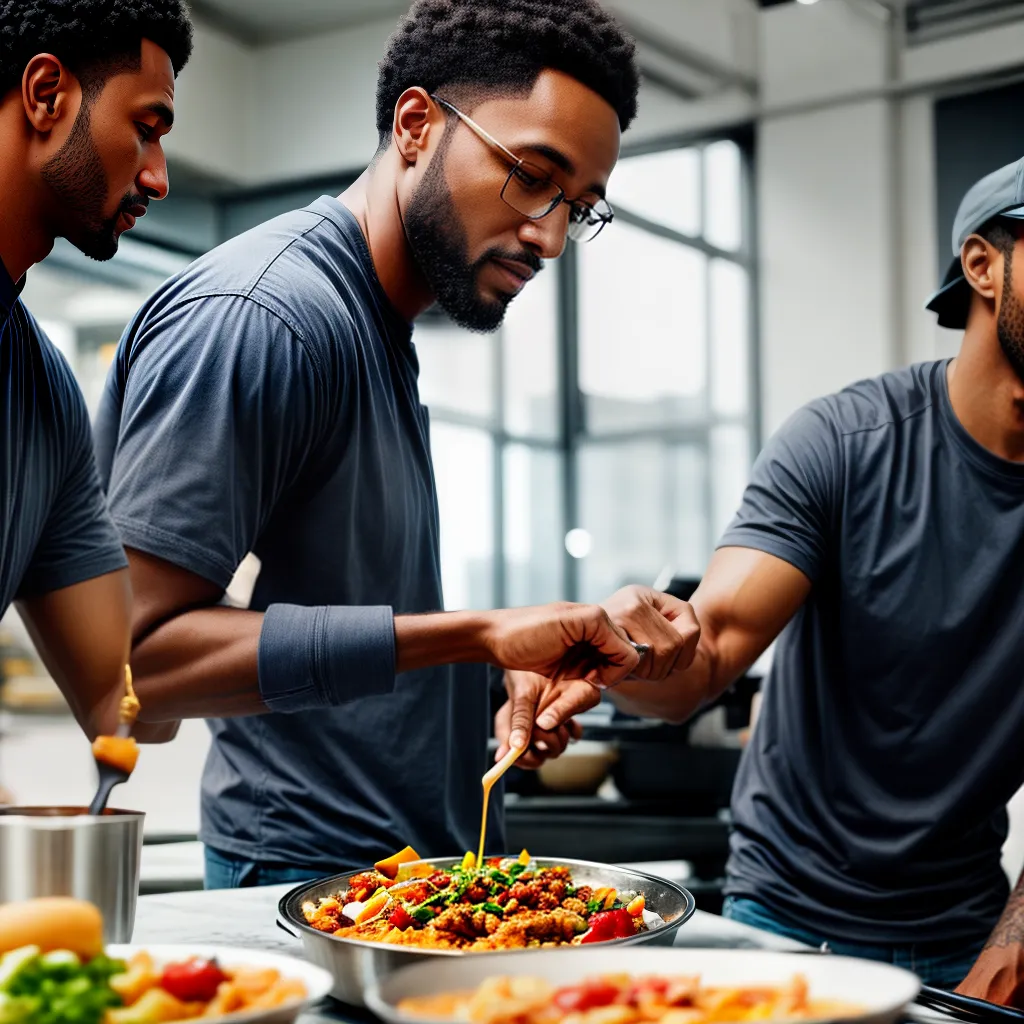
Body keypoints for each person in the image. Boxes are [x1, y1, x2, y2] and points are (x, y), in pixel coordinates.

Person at [94, 0, 700, 888]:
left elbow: (353, 613)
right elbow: (135, 660)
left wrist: (500, 681)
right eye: (533, 175)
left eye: (581, 208)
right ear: (416, 124)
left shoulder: (376, 328)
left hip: (408, 868)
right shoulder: (264, 317)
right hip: (301, 875)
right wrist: (480, 634)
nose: (551, 235)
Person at [594, 155, 1024, 997]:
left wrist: (1017, 945)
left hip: (967, 931)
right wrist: (616, 650)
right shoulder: (844, 442)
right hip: (784, 920)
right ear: (982, 265)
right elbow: (707, 651)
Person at [0, 0, 192, 744]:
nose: (158, 177)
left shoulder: (44, 398)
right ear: (47, 95)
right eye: (146, 129)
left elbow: (128, 699)